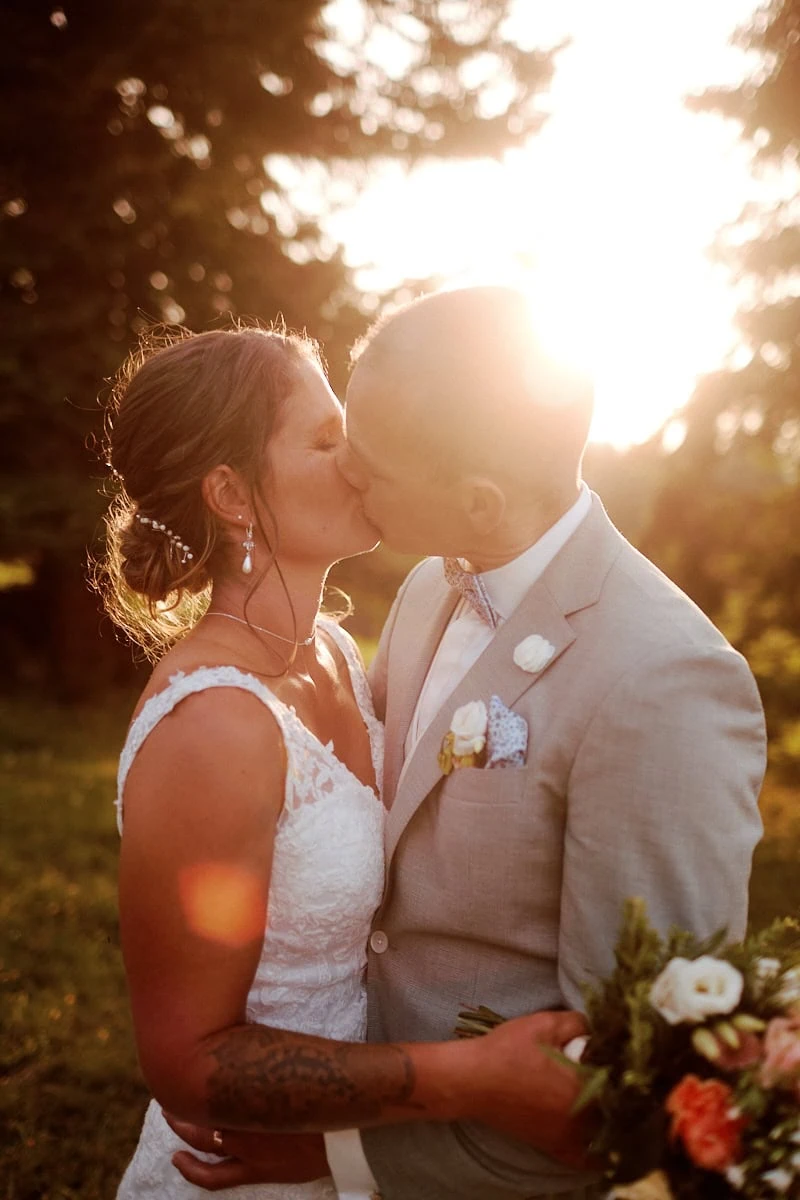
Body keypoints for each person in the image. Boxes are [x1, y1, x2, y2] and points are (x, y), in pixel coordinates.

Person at [170, 286, 766, 1200]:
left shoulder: (662, 682)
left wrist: (345, 1154)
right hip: (333, 1088)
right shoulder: (423, 591)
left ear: (478, 502)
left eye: (368, 465)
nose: (347, 476)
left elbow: (636, 1080)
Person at [102, 322, 590, 1200]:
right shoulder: (214, 727)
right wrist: (468, 1079)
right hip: (243, 1176)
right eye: (326, 441)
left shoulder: (330, 648)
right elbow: (188, 1062)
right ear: (232, 494)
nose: (359, 457)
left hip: (358, 1160)